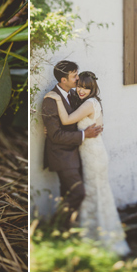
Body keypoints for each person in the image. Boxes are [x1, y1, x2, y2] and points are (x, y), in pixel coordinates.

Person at [44, 71, 131, 256]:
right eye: (80, 86)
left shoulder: (90, 103)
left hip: (93, 155)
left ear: (93, 89)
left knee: (93, 193)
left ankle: (96, 238)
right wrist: (51, 130)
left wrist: (57, 100)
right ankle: (93, 235)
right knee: (93, 193)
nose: (82, 90)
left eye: (86, 88)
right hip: (89, 152)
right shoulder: (88, 103)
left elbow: (67, 120)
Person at [42, 61, 103, 229]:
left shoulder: (76, 95)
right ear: (63, 80)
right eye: (74, 76)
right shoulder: (50, 100)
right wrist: (84, 134)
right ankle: (55, 225)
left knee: (67, 192)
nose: (78, 79)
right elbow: (55, 135)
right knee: (78, 193)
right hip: (62, 155)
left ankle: (65, 228)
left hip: (78, 153)